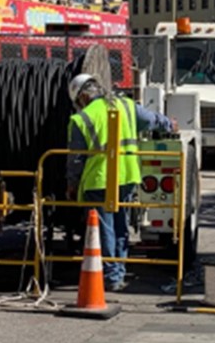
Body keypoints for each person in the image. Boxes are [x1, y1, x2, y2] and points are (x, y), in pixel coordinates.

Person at [66, 74, 175, 292]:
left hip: (98, 181)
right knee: (120, 225)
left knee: (104, 229)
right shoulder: (125, 105)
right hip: (127, 176)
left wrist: (72, 185)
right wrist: (169, 124)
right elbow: (151, 120)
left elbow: (76, 160)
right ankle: (119, 272)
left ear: (83, 97)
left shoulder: (81, 119)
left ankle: (111, 276)